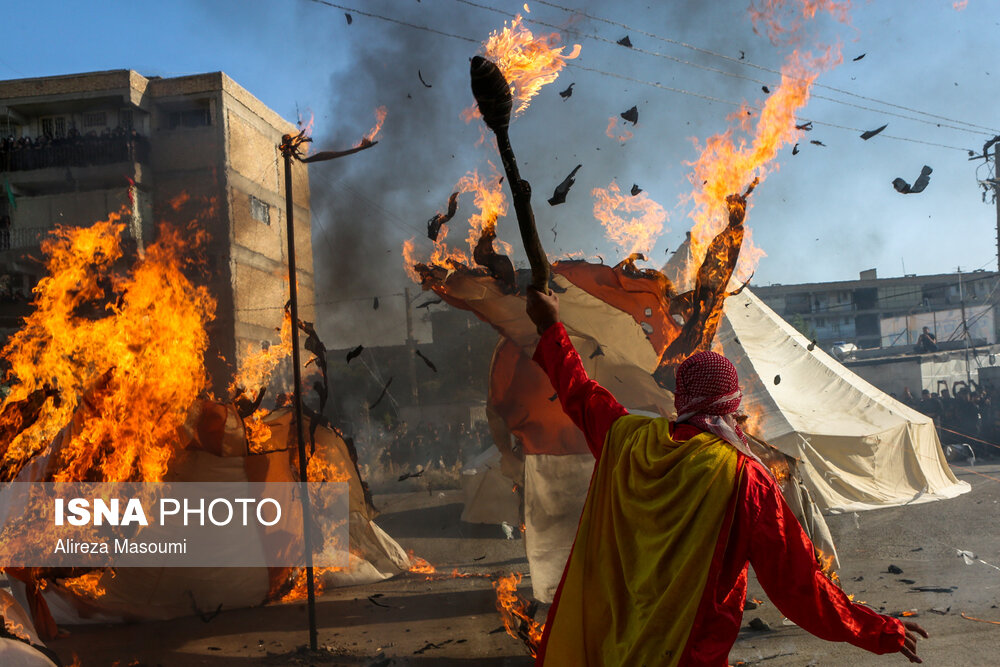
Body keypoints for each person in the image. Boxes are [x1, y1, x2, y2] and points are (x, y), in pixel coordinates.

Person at [525, 287, 927, 666]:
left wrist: (550, 327)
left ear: (681, 402)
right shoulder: (744, 477)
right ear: (732, 410)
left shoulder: (629, 441)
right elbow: (799, 587)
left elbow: (579, 392)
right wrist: (879, 630)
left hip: (614, 647)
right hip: (688, 655)